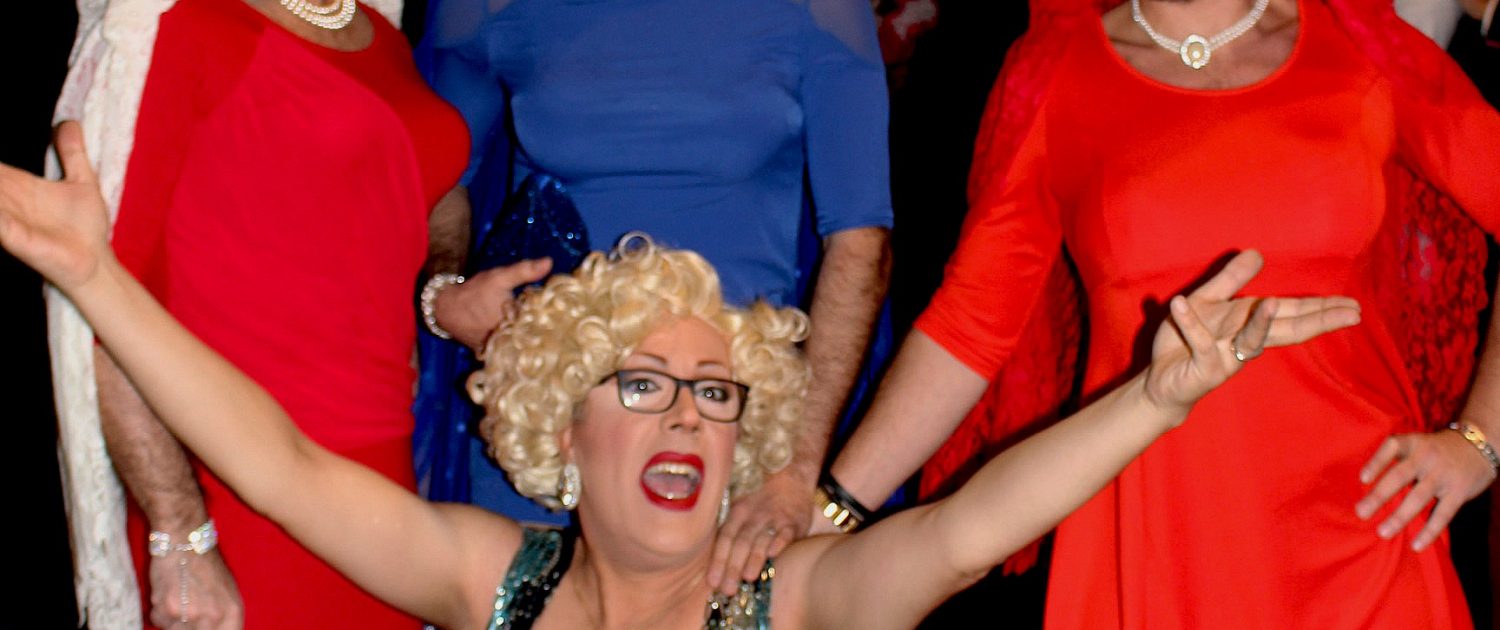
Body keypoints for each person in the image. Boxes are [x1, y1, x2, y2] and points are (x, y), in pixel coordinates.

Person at [0, 129, 1358, 629]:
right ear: (565, 428)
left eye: (716, 394)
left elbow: (960, 538)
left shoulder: (792, 602)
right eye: (644, 384)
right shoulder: (490, 579)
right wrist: (95, 276)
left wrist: (1151, 401)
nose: (691, 416)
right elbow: (281, 466)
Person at [809, 0, 1500, 627]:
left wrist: (1481, 440)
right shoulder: (1057, 72)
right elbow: (972, 325)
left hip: (1368, 532)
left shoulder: (1359, 43)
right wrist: (830, 508)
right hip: (1154, 538)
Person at [60, 0, 535, 627]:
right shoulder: (184, 25)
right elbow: (101, 303)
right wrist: (179, 531)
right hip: (234, 483)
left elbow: (436, 178)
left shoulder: (375, 32)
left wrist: (443, 289)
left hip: (379, 478)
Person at [413, 0, 894, 591]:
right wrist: (446, 291)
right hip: (550, 418)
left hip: (722, 423)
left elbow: (860, 243)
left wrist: (792, 469)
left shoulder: (820, 8)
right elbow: (437, 172)